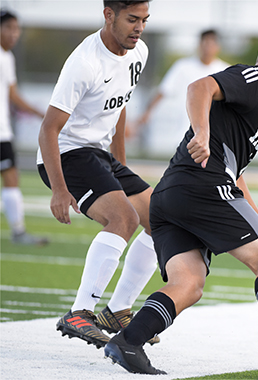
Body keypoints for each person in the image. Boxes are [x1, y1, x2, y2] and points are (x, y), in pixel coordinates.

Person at [104, 22, 258, 375]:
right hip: (202, 187)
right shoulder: (252, 79)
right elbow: (199, 87)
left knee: (188, 285)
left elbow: (236, 173)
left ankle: (128, 341)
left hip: (172, 197)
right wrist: (202, 133)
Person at [37, 0, 159, 349]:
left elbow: (120, 106)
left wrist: (119, 167)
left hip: (99, 156)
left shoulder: (139, 53)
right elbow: (48, 130)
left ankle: (117, 311)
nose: (139, 28)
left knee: (160, 217)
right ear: (109, 15)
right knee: (123, 218)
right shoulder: (84, 62)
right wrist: (59, 191)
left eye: (144, 21)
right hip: (67, 154)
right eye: (132, 19)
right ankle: (80, 312)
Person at [0, 9, 48, 245]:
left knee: (11, 180)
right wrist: (43, 114)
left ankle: (18, 232)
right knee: (11, 180)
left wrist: (40, 113)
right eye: (9, 28)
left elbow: (12, 96)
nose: (14, 34)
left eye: (16, 29)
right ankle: (18, 232)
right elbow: (14, 97)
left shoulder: (7, 57)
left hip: (3, 132)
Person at [134, 29, 229, 141]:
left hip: (214, 135)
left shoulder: (225, 71)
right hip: (184, 133)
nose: (207, 47)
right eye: (205, 42)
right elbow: (163, 91)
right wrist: (147, 113)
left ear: (218, 47)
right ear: (199, 44)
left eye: (211, 43)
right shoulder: (183, 66)